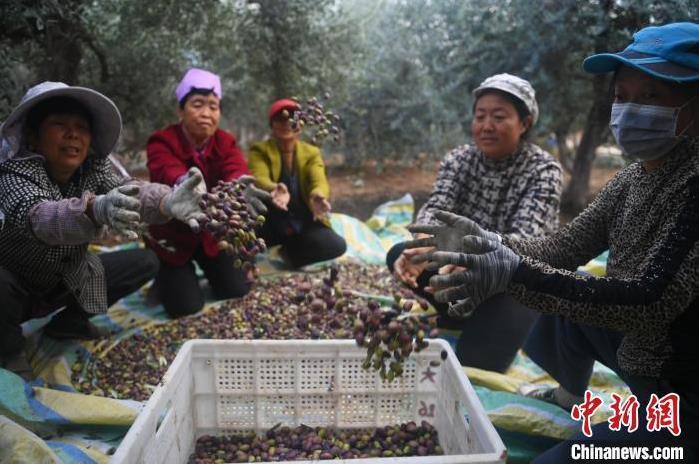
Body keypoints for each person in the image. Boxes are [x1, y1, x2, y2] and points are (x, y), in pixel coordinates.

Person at [406, 22, 699, 461]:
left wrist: (515, 271)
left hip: (683, 383)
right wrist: (485, 243)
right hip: (645, 356)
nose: (631, 110)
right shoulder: (634, 178)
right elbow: (564, 247)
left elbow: (650, 300)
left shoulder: (692, 186)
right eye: (622, 96)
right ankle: (569, 394)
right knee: (567, 292)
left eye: (652, 97)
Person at [0, 81, 206, 380]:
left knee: (144, 262)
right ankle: (9, 348)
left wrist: (166, 201)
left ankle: (69, 323)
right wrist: (93, 208)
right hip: (16, 288)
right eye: (59, 124)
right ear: (33, 135)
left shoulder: (92, 170)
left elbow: (133, 193)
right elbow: (38, 217)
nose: (73, 134)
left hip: (63, 278)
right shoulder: (16, 173)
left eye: (81, 127)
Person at [387, 73, 562, 371]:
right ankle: (459, 311)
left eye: (499, 116)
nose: (487, 126)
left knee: (477, 365)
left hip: (515, 279)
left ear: (525, 122)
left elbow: (527, 239)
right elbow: (437, 207)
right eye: (480, 116)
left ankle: (512, 321)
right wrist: (420, 246)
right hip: (461, 268)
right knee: (400, 253)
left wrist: (468, 254)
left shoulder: (544, 171)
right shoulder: (459, 160)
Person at [146, 68, 269, 317]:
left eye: (213, 107)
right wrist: (186, 184)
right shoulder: (162, 141)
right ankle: (164, 277)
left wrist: (238, 189)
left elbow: (236, 170)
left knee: (236, 288)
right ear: (181, 111)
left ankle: (201, 273)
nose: (206, 114)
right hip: (172, 238)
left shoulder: (226, 142)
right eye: (198, 105)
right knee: (186, 307)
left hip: (210, 235)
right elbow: (166, 170)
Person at [248, 99, 346, 268]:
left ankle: (290, 254)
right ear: (272, 125)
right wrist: (274, 188)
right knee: (243, 240)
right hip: (270, 221)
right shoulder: (260, 150)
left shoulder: (311, 152)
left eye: (293, 118)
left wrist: (317, 194)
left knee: (336, 245)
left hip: (302, 221)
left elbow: (319, 179)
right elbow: (258, 177)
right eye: (281, 119)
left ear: (301, 125)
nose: (288, 123)